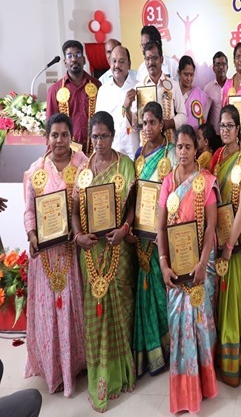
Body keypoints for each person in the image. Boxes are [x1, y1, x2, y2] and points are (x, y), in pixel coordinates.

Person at [71, 111, 137, 412]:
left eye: (105, 136)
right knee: (95, 316)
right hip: (91, 252)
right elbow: (74, 212)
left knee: (121, 308)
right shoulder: (84, 172)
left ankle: (121, 373)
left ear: (113, 135)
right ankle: (100, 377)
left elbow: (133, 206)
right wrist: (77, 237)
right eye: (95, 136)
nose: (99, 142)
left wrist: (125, 229)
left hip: (118, 249)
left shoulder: (125, 165)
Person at [23, 113, 87, 396]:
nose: (59, 140)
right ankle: (53, 370)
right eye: (54, 135)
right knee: (49, 313)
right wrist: (32, 235)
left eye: (64, 135)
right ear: (47, 138)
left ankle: (76, 366)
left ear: (72, 137)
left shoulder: (83, 165)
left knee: (73, 310)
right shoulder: (36, 170)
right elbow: (29, 210)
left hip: (73, 253)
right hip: (46, 259)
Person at [157, 125, 219, 414]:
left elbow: (211, 227)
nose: (182, 152)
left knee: (200, 327)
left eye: (188, 147)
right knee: (179, 329)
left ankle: (203, 387)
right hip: (174, 268)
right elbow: (160, 227)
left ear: (197, 149)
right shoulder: (168, 183)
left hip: (199, 267)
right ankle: (183, 393)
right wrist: (163, 263)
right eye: (178, 147)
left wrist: (202, 263)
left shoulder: (206, 181)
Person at [130, 102, 176, 377]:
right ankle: (150, 354)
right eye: (144, 123)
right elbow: (135, 193)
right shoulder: (138, 155)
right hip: (141, 232)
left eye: (152, 122)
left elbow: (175, 194)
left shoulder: (171, 154)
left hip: (162, 231)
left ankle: (168, 350)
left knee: (162, 288)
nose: (147, 128)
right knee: (145, 287)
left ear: (161, 124)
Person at [210, 105, 241, 387]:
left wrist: (229, 245)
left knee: (234, 298)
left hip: (235, 241)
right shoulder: (216, 157)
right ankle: (219, 360)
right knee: (219, 298)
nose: (225, 130)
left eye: (230, 126)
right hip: (217, 237)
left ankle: (235, 365)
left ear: (238, 129)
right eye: (222, 126)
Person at [46, 40, 101, 154]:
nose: (74, 59)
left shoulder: (97, 86)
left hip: (96, 150)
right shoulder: (54, 90)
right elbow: (50, 128)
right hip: (66, 153)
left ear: (84, 60)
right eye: (69, 56)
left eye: (78, 55)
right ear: (65, 62)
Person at [129, 40, 187, 142]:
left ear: (161, 59)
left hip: (168, 143)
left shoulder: (173, 85)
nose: (151, 62)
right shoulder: (139, 87)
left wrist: (167, 124)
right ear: (144, 61)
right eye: (148, 58)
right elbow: (134, 124)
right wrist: (127, 108)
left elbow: (183, 116)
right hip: (147, 146)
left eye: (155, 58)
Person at [95, 45, 139, 159]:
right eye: (114, 61)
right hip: (111, 149)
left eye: (121, 61)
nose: (117, 65)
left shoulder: (137, 87)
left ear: (129, 64)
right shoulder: (103, 90)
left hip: (133, 147)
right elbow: (98, 123)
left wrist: (127, 108)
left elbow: (141, 123)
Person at [178, 55, 213, 133]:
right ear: (179, 73)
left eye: (191, 74)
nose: (189, 78)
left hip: (195, 138)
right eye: (186, 74)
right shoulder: (173, 93)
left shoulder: (202, 96)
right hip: (176, 138)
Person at [204, 51, 229, 132]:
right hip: (214, 134)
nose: (221, 67)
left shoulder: (233, 86)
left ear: (227, 67)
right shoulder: (207, 89)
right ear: (213, 68)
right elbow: (205, 115)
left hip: (229, 133)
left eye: (223, 64)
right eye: (218, 64)